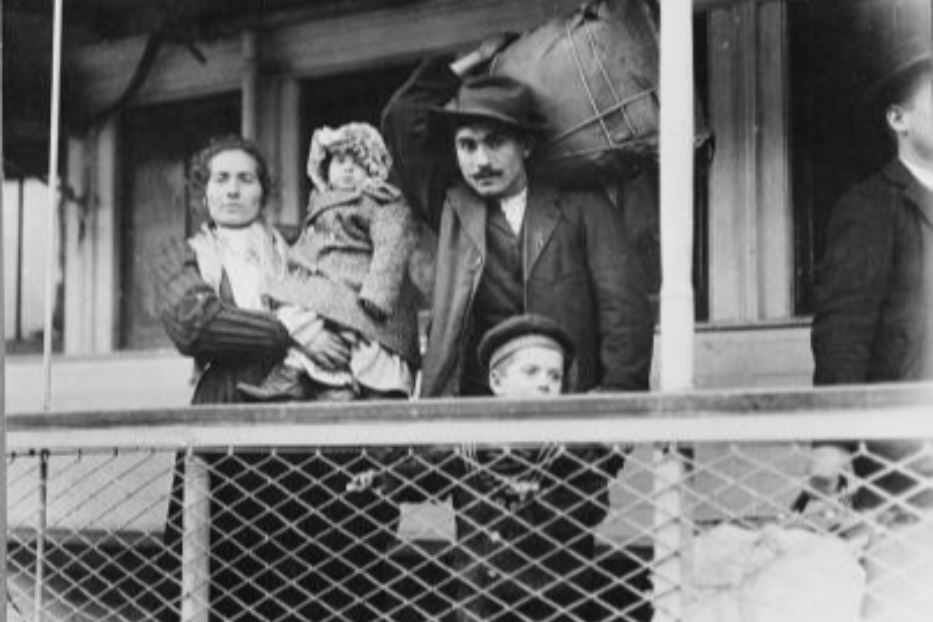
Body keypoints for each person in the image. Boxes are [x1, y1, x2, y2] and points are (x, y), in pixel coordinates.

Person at [156, 134, 399, 621]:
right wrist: (289, 331)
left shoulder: (304, 241)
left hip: (306, 411)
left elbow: (360, 288)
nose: (232, 191)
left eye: (245, 179)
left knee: (308, 563)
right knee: (222, 559)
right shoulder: (183, 253)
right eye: (220, 180)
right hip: (226, 409)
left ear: (263, 191)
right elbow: (195, 322)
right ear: (203, 191)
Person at [381, 35, 655, 399]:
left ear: (526, 145)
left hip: (564, 412)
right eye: (467, 145)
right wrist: (474, 58)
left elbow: (624, 308)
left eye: (495, 142)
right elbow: (401, 116)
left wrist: (619, 394)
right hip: (470, 421)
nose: (480, 161)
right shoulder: (451, 206)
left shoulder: (583, 206)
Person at [809, 28, 933, 519]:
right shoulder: (870, 208)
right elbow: (843, 339)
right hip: (905, 472)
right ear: (897, 118)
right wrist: (830, 456)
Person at [449, 313, 622, 621]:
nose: (545, 383)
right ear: (497, 382)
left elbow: (594, 504)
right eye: (531, 372)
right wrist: (382, 478)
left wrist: (538, 496)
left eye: (554, 377)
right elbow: (423, 473)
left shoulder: (570, 449)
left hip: (551, 601)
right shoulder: (469, 444)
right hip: (480, 602)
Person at [237, 121, 420, 401]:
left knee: (363, 345)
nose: (347, 168)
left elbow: (392, 246)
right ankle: (298, 378)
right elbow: (308, 242)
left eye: (357, 164)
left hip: (358, 284)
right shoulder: (319, 204)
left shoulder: (380, 202)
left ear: (373, 171)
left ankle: (368, 392)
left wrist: (378, 294)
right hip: (324, 284)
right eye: (339, 161)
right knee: (298, 311)